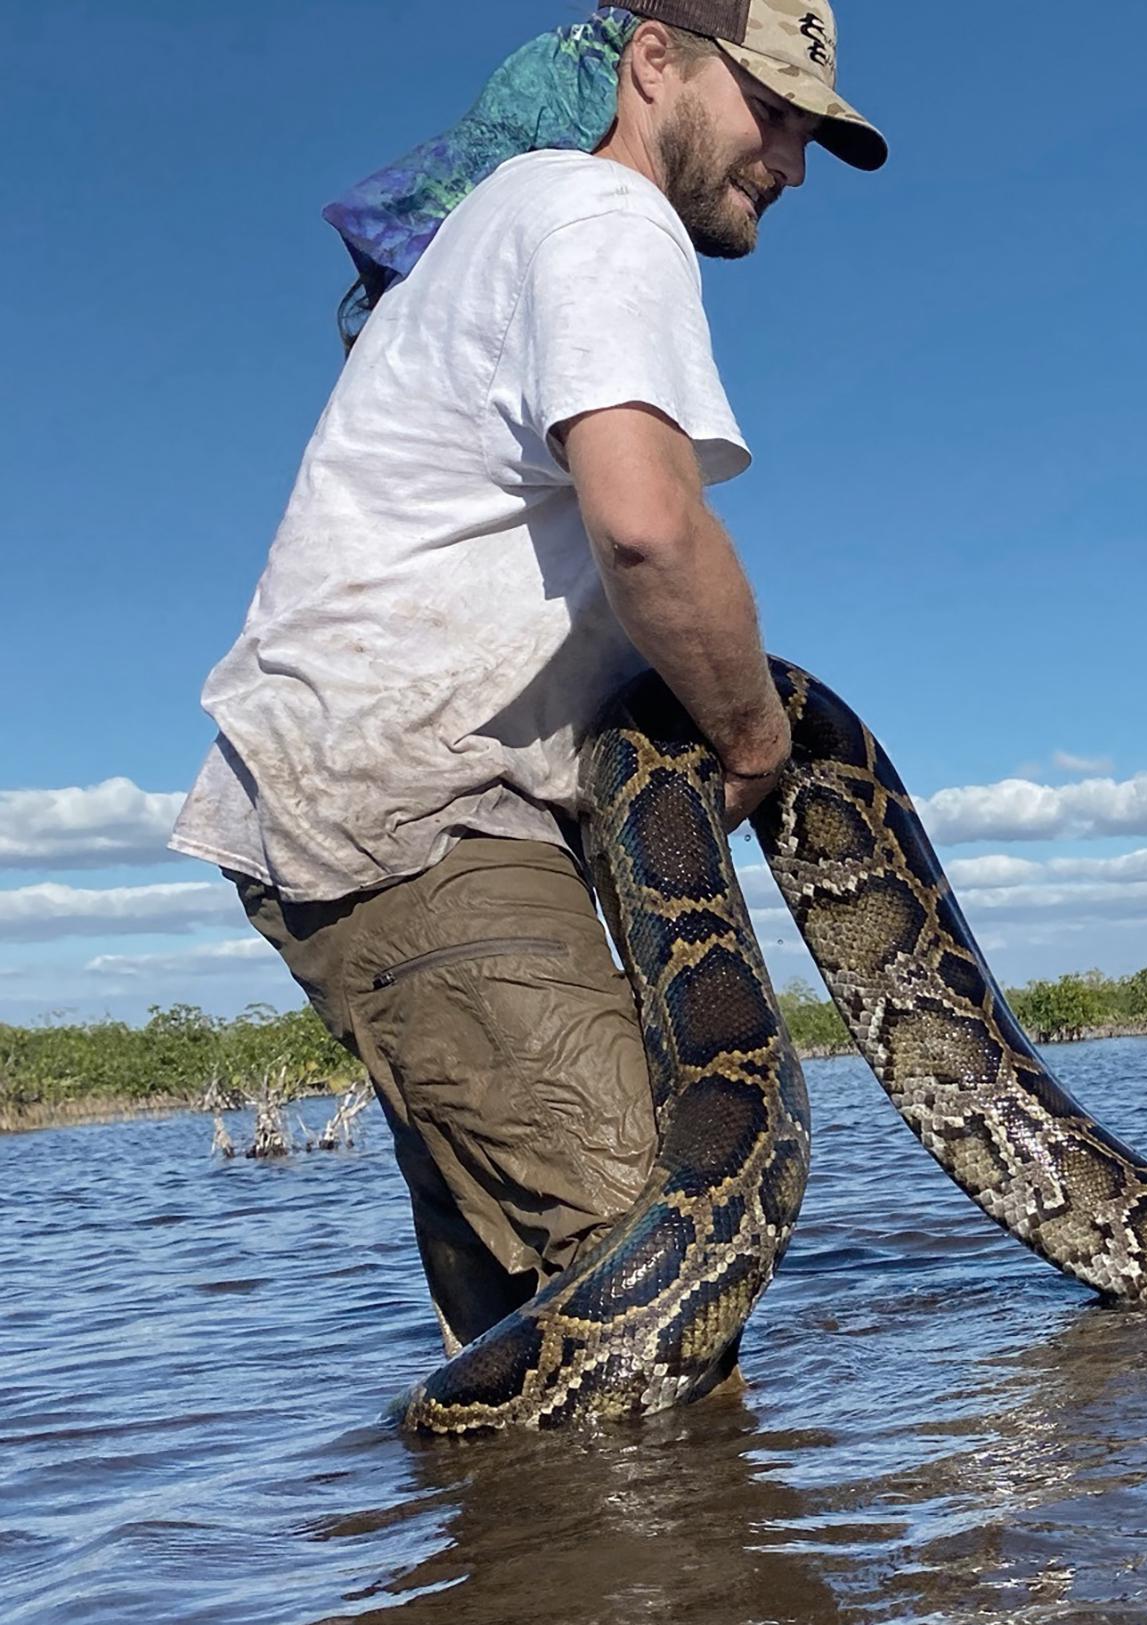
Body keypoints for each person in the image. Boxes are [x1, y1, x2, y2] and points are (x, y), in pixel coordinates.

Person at [168, 3, 888, 1349]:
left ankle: (501, 1559)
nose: (787, 160)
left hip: (381, 797)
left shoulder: (514, 224)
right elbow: (648, 525)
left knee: (526, 1323)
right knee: (654, 1260)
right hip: (429, 814)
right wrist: (748, 743)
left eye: (808, 132)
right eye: (769, 109)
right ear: (654, 63)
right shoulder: (603, 218)